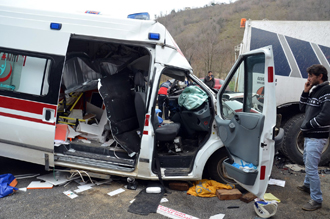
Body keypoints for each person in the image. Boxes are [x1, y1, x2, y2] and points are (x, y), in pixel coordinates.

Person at [298, 64, 330, 211]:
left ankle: (316, 200)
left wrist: (307, 126)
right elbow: (302, 108)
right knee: (306, 161)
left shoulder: (327, 91)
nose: (308, 78)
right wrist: (306, 91)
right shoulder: (314, 90)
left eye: (311, 76)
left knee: (311, 167)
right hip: (310, 135)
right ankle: (307, 186)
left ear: (320, 76)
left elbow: (325, 116)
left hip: (317, 136)